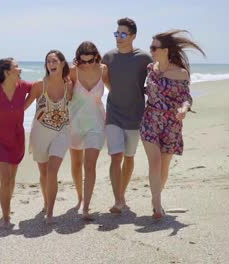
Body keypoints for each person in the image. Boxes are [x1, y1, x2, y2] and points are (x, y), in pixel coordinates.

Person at [141, 29, 205, 219]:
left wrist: (184, 110)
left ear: (166, 50)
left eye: (154, 47)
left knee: (165, 165)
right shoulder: (150, 69)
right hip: (150, 119)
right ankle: (158, 206)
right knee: (155, 162)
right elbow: (146, 91)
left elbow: (186, 97)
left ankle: (155, 198)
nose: (151, 50)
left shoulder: (180, 73)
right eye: (150, 47)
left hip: (172, 123)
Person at [102, 18, 153, 214]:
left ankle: (121, 194)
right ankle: (118, 199)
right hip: (114, 113)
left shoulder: (144, 58)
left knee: (129, 157)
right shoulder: (108, 57)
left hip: (135, 115)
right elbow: (100, 79)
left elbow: (159, 74)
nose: (119, 38)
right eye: (117, 34)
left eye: (123, 34)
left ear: (133, 36)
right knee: (115, 156)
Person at [0, 58, 33, 228]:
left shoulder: (24, 86)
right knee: (5, 178)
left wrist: (24, 106)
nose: (20, 69)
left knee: (11, 179)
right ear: (6, 72)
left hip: (17, 138)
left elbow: (42, 86)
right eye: (16, 67)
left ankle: (7, 207)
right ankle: (5, 217)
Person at [25, 50, 71, 224]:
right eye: (48, 61)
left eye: (54, 61)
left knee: (52, 171)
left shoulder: (69, 85)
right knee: (44, 173)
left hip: (62, 131)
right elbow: (22, 107)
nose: (51, 64)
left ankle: (50, 211)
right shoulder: (39, 86)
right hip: (41, 133)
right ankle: (46, 202)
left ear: (62, 63)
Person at [68, 41, 110, 220]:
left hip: (96, 124)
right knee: (76, 164)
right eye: (82, 61)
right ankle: (79, 196)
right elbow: (62, 93)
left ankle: (86, 206)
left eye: (90, 60)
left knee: (90, 164)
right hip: (74, 124)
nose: (86, 64)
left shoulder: (103, 70)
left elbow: (115, 91)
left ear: (96, 57)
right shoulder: (72, 71)